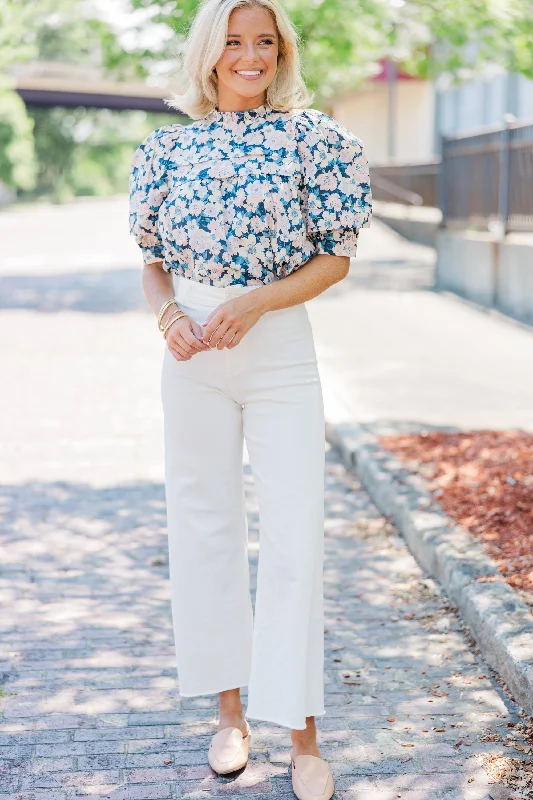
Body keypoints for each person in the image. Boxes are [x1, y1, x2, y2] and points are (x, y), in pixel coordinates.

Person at [129, 1, 371, 797]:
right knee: (202, 527)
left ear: (281, 52)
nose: (251, 55)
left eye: (265, 41)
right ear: (208, 53)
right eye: (234, 41)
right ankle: (229, 715)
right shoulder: (164, 151)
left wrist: (255, 303)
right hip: (192, 354)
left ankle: (302, 733)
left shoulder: (317, 140)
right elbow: (154, 264)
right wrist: (168, 315)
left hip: (276, 351)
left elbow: (334, 259)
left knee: (296, 534)